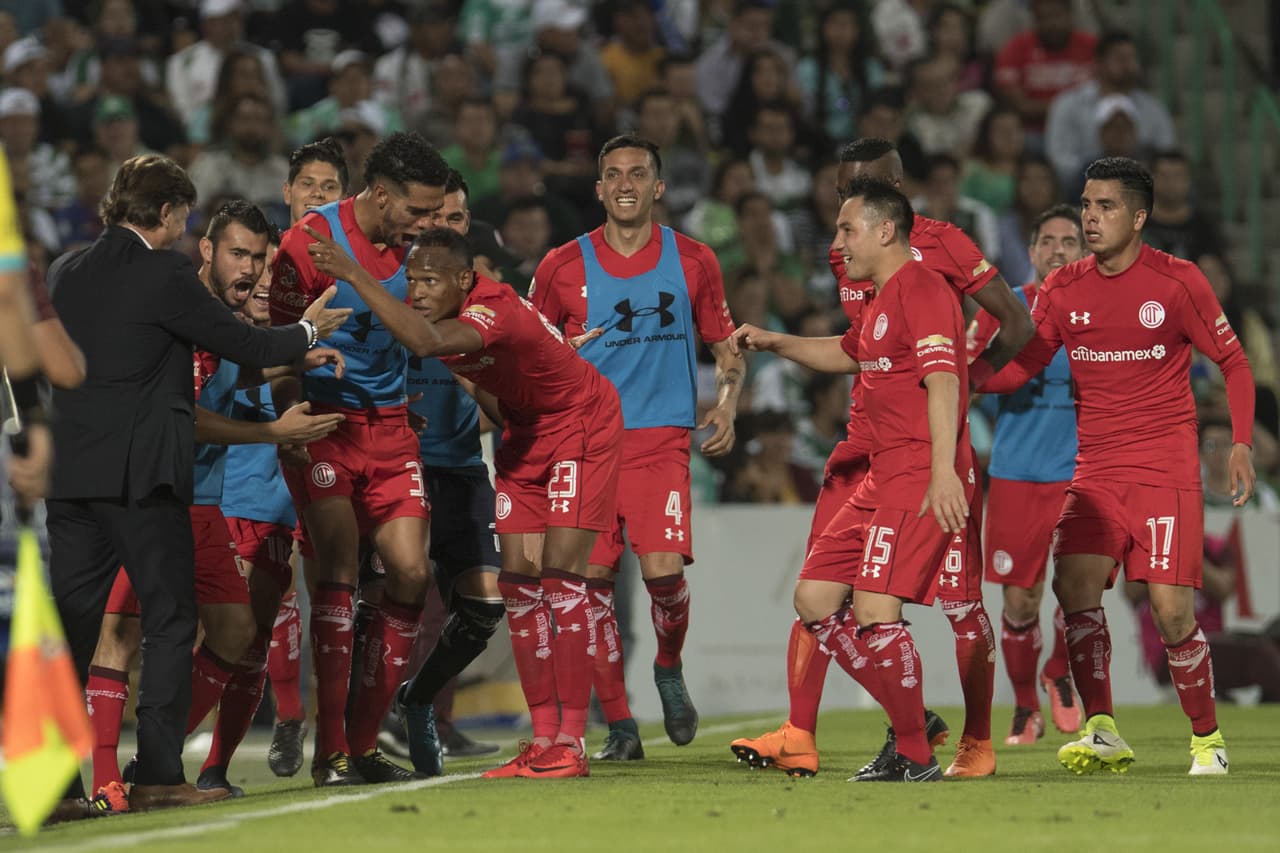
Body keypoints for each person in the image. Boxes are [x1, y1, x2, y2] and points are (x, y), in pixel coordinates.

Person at [44, 154, 348, 812]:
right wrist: (307, 329)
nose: (184, 234)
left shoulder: (65, 270)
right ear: (167, 215)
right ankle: (157, 773)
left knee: (71, 627)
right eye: (183, 220)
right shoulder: (165, 271)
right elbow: (251, 346)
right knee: (172, 621)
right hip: (142, 477)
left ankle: (57, 787)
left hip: (70, 478)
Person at [731, 137, 1033, 780]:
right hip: (874, 468)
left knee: (899, 609)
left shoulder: (924, 283)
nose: (835, 240)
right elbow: (850, 351)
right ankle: (913, 723)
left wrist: (945, 470)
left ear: (886, 221)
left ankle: (930, 747)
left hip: (917, 473)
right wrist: (772, 339)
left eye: (846, 225)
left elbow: (947, 378)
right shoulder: (880, 296)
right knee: (815, 598)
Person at [304, 225, 624, 780]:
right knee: (518, 590)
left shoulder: (491, 307)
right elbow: (491, 392)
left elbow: (425, 344)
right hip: (526, 433)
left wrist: (354, 273)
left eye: (431, 281)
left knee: (561, 582)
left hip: (581, 426)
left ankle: (571, 741)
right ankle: (544, 737)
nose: (419, 291)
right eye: (413, 280)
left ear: (465, 280)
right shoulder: (451, 319)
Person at [971, 156, 1256, 776]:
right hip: (1095, 470)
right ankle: (1101, 728)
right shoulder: (1065, 286)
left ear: (1139, 216)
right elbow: (1030, 359)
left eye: (1104, 207)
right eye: (1086, 205)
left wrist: (1239, 442)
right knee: (1072, 591)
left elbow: (1234, 363)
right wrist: (967, 380)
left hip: (1164, 470)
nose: (1090, 218)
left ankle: (1206, 738)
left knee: (1172, 612)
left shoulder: (1179, 283)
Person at [531, 135, 743, 759]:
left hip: (659, 442)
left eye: (639, 173)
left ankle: (668, 667)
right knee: (592, 581)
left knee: (663, 577)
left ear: (658, 187)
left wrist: (727, 404)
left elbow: (727, 346)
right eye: (613, 174)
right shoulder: (559, 268)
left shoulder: (695, 260)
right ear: (598, 189)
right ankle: (621, 726)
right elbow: (532, 354)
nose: (625, 183)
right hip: (585, 444)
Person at [269, 131, 449, 787]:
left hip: (392, 427)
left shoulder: (416, 251)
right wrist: (292, 418)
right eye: (418, 211)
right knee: (339, 572)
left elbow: (423, 337)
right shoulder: (307, 242)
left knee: (409, 572)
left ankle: (365, 741)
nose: (426, 224)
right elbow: (277, 349)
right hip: (326, 425)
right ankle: (331, 750)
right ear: (380, 196)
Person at [388, 172, 506, 773]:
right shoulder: (392, 289)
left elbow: (501, 411)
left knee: (485, 603)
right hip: (397, 467)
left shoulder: (488, 311)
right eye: (436, 220)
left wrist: (473, 377)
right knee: (394, 595)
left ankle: (416, 699)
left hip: (460, 467)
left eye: (455, 222)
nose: (443, 230)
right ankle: (363, 724)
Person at [966, 203, 1084, 745]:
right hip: (1016, 473)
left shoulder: (1101, 309)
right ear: (1032, 249)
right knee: (1020, 601)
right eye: (1048, 241)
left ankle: (1059, 669)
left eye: (1069, 242)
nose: (1057, 250)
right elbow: (964, 373)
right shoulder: (1007, 305)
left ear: (1084, 251)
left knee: (1079, 589)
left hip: (1081, 472)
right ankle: (1024, 708)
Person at [265, 136, 349, 776]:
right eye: (308, 185)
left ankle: (327, 725)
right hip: (254, 437)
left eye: (329, 188)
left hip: (331, 435)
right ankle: (288, 715)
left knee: (330, 587)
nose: (317, 196)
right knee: (270, 583)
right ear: (288, 192)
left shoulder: (353, 269)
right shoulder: (260, 262)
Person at [1044, 31, 1175, 191]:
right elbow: (1060, 161)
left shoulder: (1154, 109)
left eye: (1132, 59)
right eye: (1121, 59)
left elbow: (1167, 157)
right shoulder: (1068, 104)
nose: (1128, 66)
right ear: (1099, 63)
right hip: (1082, 188)